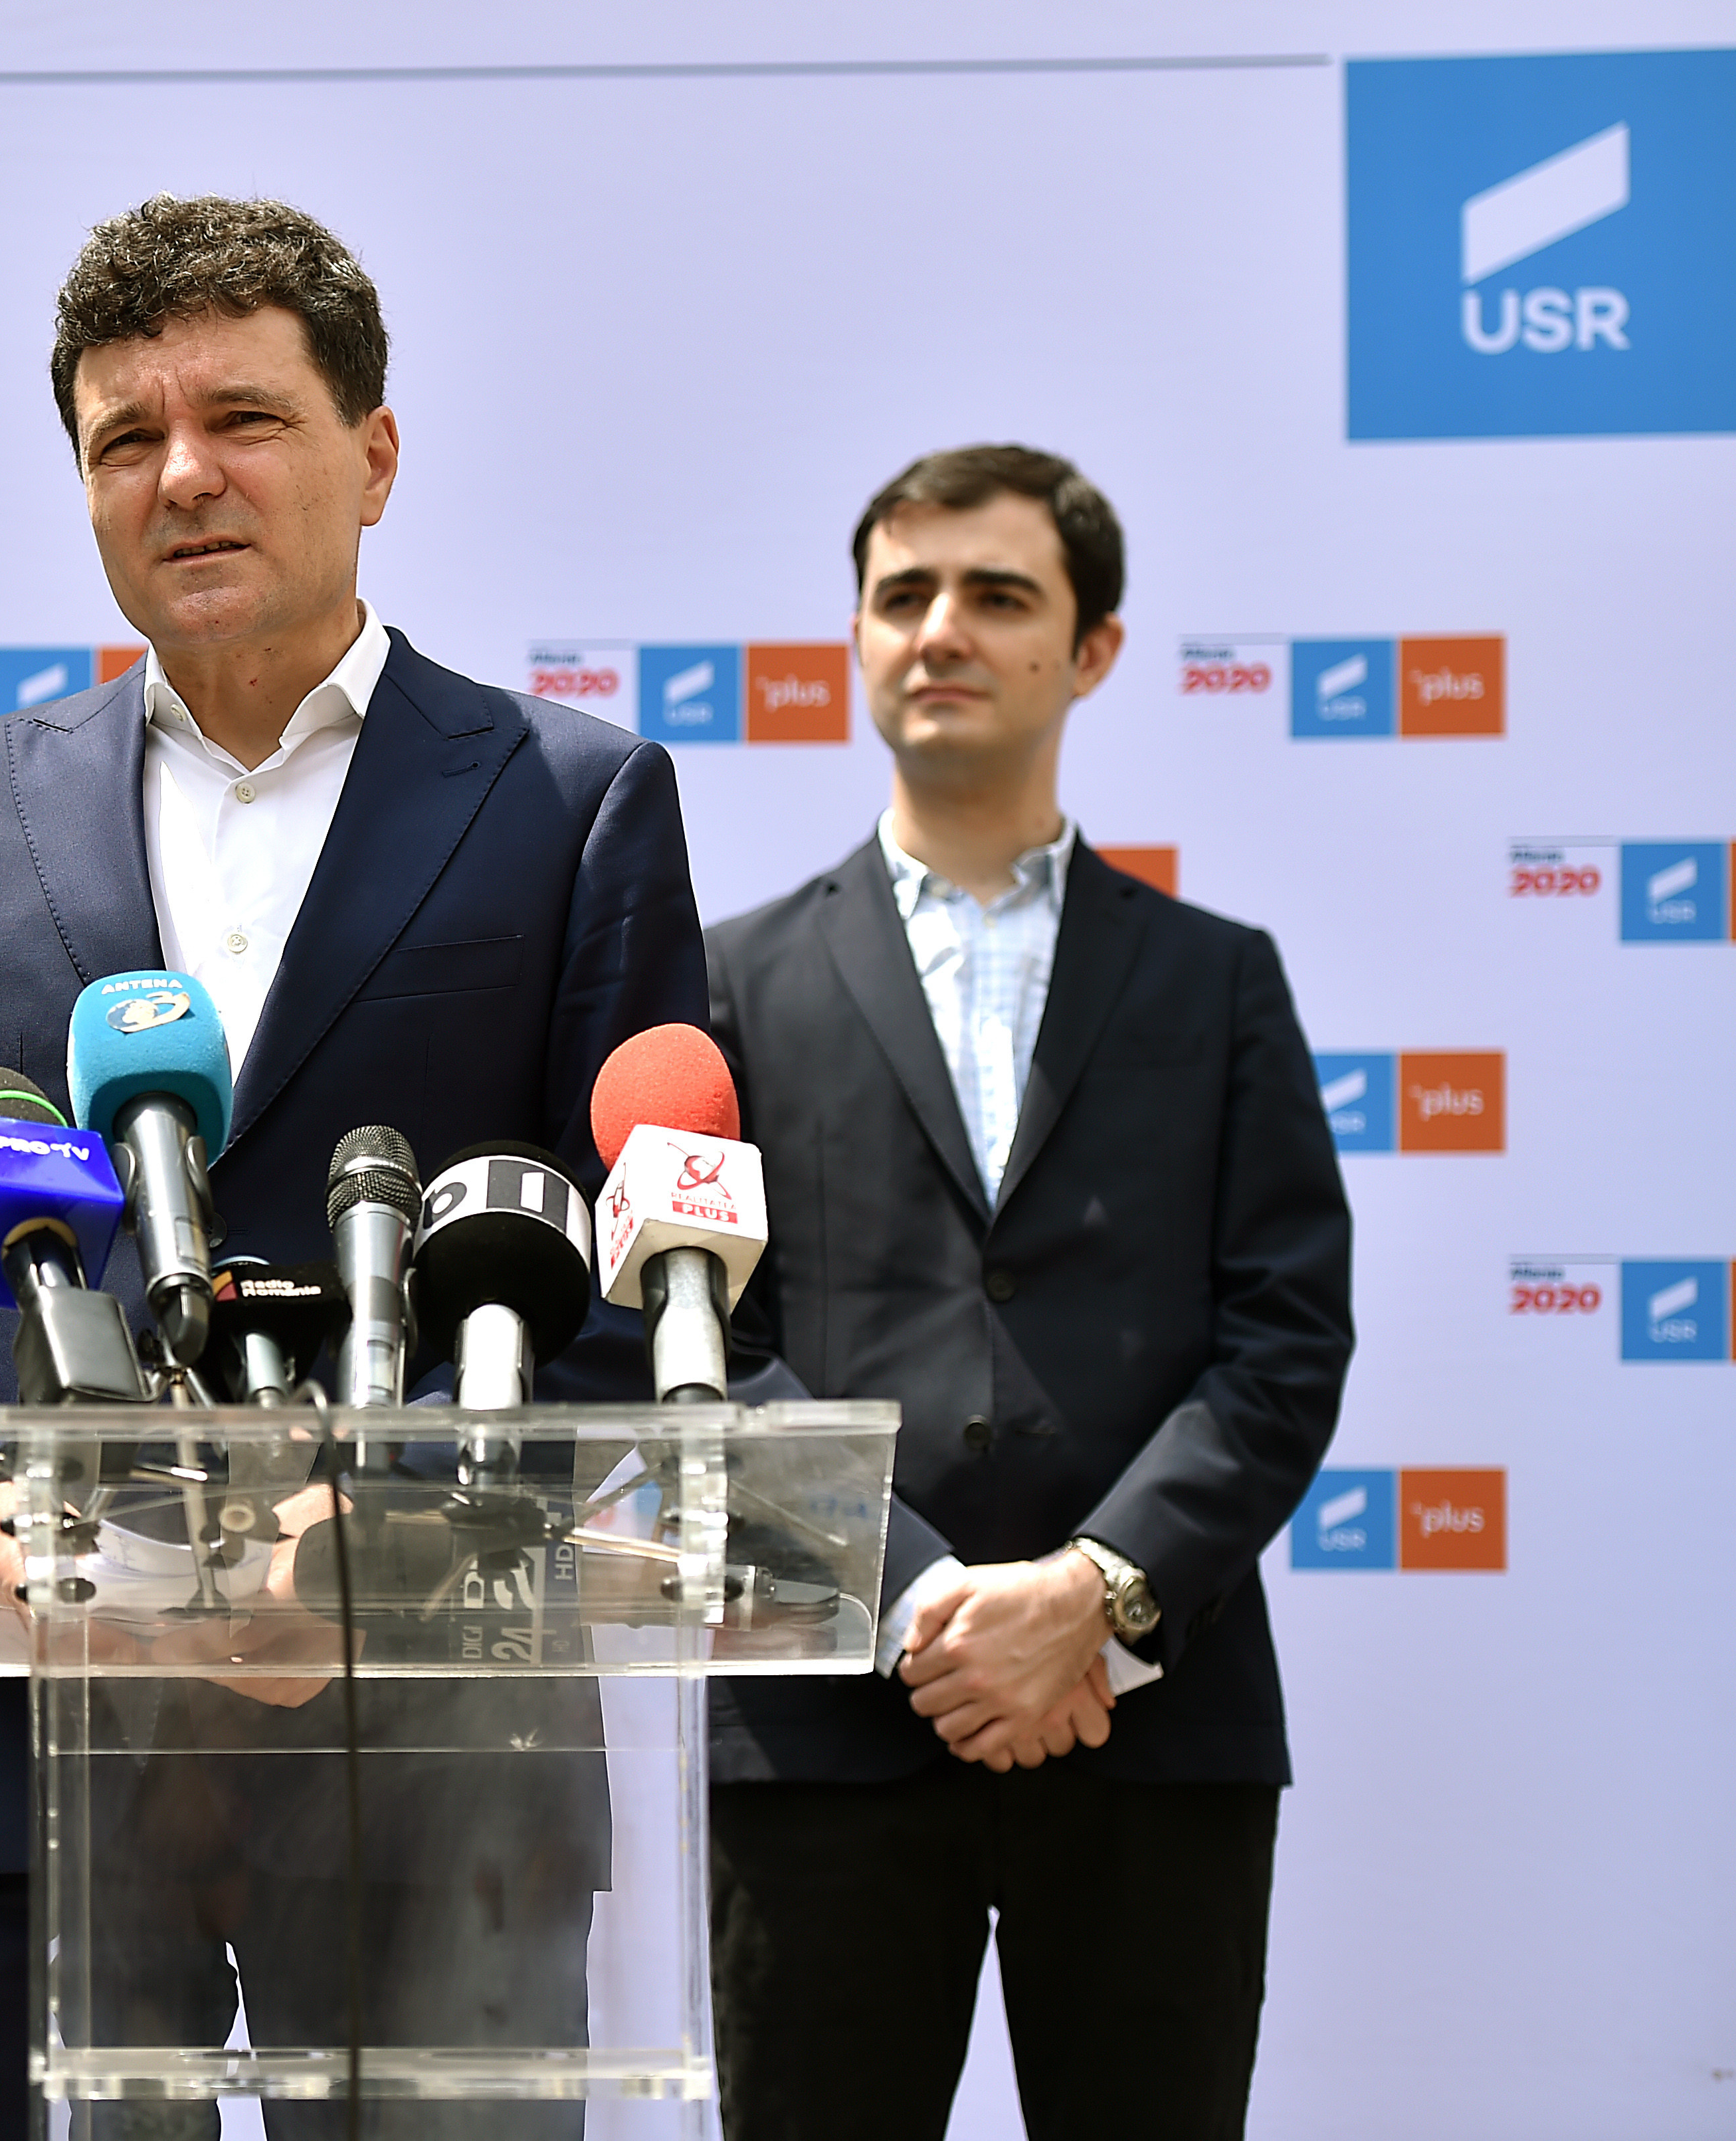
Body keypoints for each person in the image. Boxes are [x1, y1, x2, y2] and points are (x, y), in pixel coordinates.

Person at [0, 195, 711, 2140]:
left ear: (374, 453)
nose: (182, 475)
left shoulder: (568, 800)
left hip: (434, 1749)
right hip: (37, 1721)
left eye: (243, 419)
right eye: (126, 438)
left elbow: (633, 1258)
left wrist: (393, 1531)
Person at [700, 447, 1353, 2140]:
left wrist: (1094, 1592)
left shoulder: (1218, 980)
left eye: (996, 595)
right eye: (901, 596)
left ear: (1091, 649)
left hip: (1153, 1725)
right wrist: (923, 1601)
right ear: (855, 637)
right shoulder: (726, 983)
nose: (941, 631)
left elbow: (1282, 1337)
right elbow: (700, 1343)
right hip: (825, 1728)